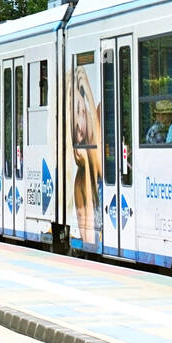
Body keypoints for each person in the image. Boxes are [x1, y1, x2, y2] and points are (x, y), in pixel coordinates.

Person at [71, 67, 103, 247]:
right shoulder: (81, 179)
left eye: (82, 112)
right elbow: (89, 241)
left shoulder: (96, 115)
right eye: (74, 116)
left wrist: (89, 95)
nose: (79, 123)